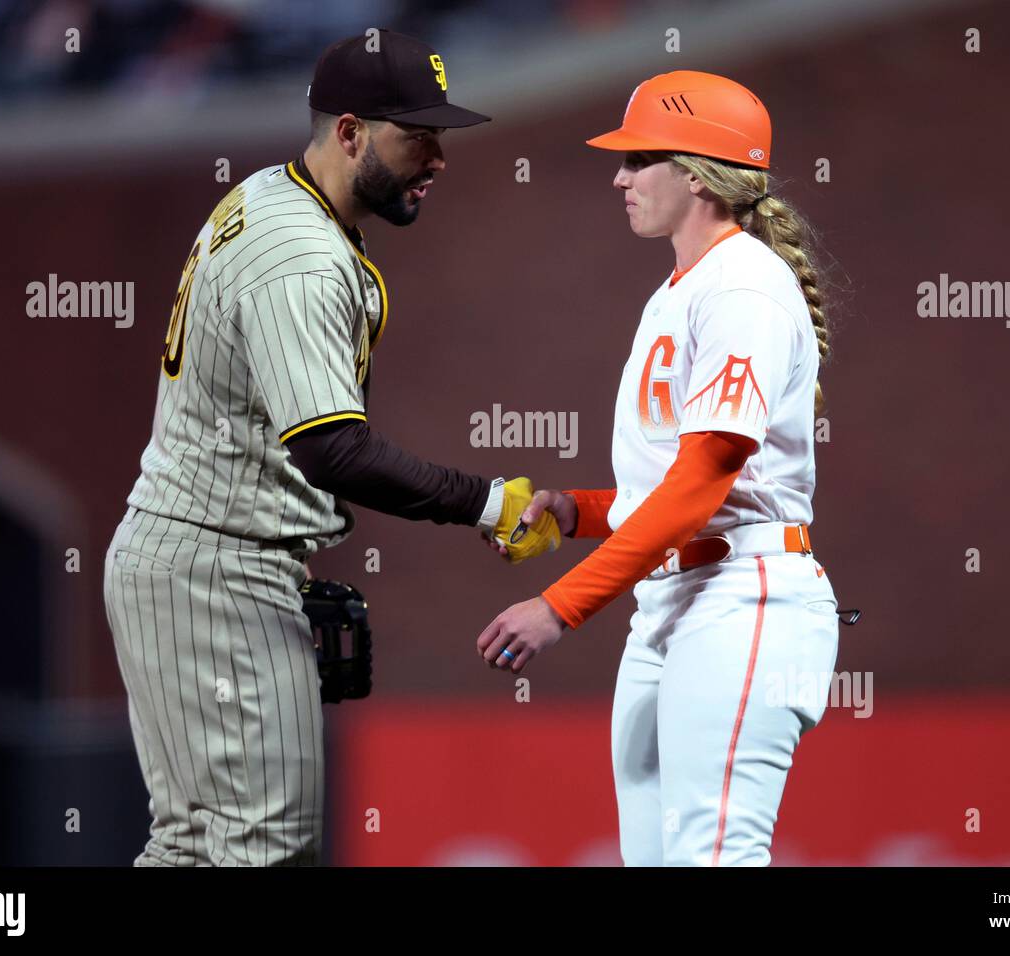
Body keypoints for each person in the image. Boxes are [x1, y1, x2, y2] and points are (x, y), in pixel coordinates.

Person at [104, 29, 557, 867]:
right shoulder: (302, 257)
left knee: (195, 848)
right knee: (264, 849)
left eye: (440, 136)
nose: (437, 157)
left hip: (191, 555)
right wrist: (491, 503)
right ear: (350, 132)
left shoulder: (274, 194)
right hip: (217, 568)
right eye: (416, 135)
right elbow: (334, 453)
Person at [476, 71, 841, 867]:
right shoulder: (681, 288)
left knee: (714, 855)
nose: (620, 176)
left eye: (640, 159)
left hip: (744, 597)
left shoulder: (745, 285)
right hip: (676, 599)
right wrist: (576, 510)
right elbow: (670, 493)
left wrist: (559, 607)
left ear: (700, 172)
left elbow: (705, 480)